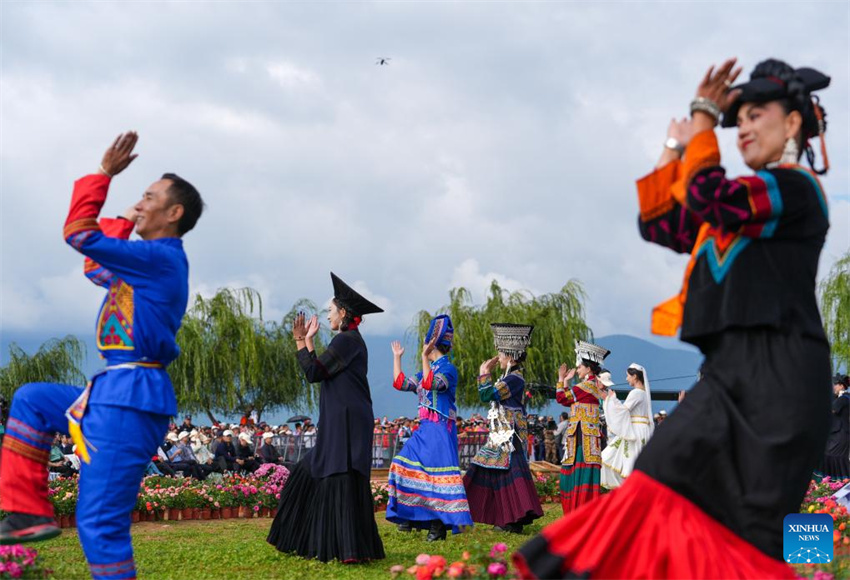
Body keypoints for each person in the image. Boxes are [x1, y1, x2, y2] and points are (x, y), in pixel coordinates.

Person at [516, 58, 832, 580]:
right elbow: (662, 224)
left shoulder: (793, 192)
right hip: (728, 377)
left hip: (782, 380)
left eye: (756, 115)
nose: (745, 129)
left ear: (793, 122)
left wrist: (706, 121)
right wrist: (675, 146)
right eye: (740, 119)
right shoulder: (743, 214)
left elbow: (712, 194)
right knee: (655, 482)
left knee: (750, 530)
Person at [0, 132, 203, 580]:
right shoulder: (139, 262)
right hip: (112, 391)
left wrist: (104, 175)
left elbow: (78, 235)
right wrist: (126, 219)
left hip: (132, 397)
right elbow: (95, 265)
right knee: (32, 399)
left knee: (99, 524)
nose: (140, 202)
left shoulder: (162, 259)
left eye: (148, 197)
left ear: (174, 213)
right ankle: (27, 513)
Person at [267, 273, 385, 563]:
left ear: (343, 313)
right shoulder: (348, 341)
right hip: (344, 418)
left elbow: (313, 373)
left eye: (331, 311)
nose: (328, 315)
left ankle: (347, 550)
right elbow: (320, 369)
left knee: (337, 475)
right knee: (320, 473)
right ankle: (340, 547)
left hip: (346, 420)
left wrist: (299, 340)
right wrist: (308, 342)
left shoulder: (346, 340)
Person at [386, 315, 473, 541]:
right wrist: (397, 358)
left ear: (431, 345)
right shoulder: (429, 367)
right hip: (425, 428)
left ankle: (437, 525)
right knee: (401, 464)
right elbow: (401, 383)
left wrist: (425, 358)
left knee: (435, 476)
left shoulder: (448, 369)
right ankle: (410, 515)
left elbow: (431, 383)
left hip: (440, 429)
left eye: (426, 345)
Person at [463, 323, 543, 534]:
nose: (498, 357)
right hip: (502, 432)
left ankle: (514, 517)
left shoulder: (514, 379)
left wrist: (483, 372)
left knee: (506, 472)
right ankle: (506, 517)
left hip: (509, 433)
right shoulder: (509, 378)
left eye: (500, 353)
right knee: (492, 469)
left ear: (511, 356)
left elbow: (487, 395)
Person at [555, 340, 610, 514]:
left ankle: (577, 512)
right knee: (576, 475)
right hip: (583, 438)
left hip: (582, 441)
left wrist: (562, 379)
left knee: (574, 476)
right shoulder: (590, 385)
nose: (577, 369)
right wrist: (566, 382)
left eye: (579, 367)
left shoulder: (587, 385)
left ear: (588, 368)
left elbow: (562, 398)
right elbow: (568, 401)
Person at [600, 364, 654, 489]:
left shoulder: (636, 393)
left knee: (626, 460)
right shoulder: (644, 393)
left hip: (635, 431)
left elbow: (623, 411)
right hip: (639, 429)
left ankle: (628, 489)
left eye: (628, 376)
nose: (626, 379)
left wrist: (610, 399)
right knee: (621, 458)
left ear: (635, 376)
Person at [819, 375, 850, 478]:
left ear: (841, 386)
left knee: (831, 456)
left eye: (835, 385)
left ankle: (840, 481)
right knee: (832, 457)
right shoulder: (843, 398)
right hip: (839, 434)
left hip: (840, 434)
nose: (833, 387)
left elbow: (830, 411)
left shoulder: (844, 398)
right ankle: (834, 482)